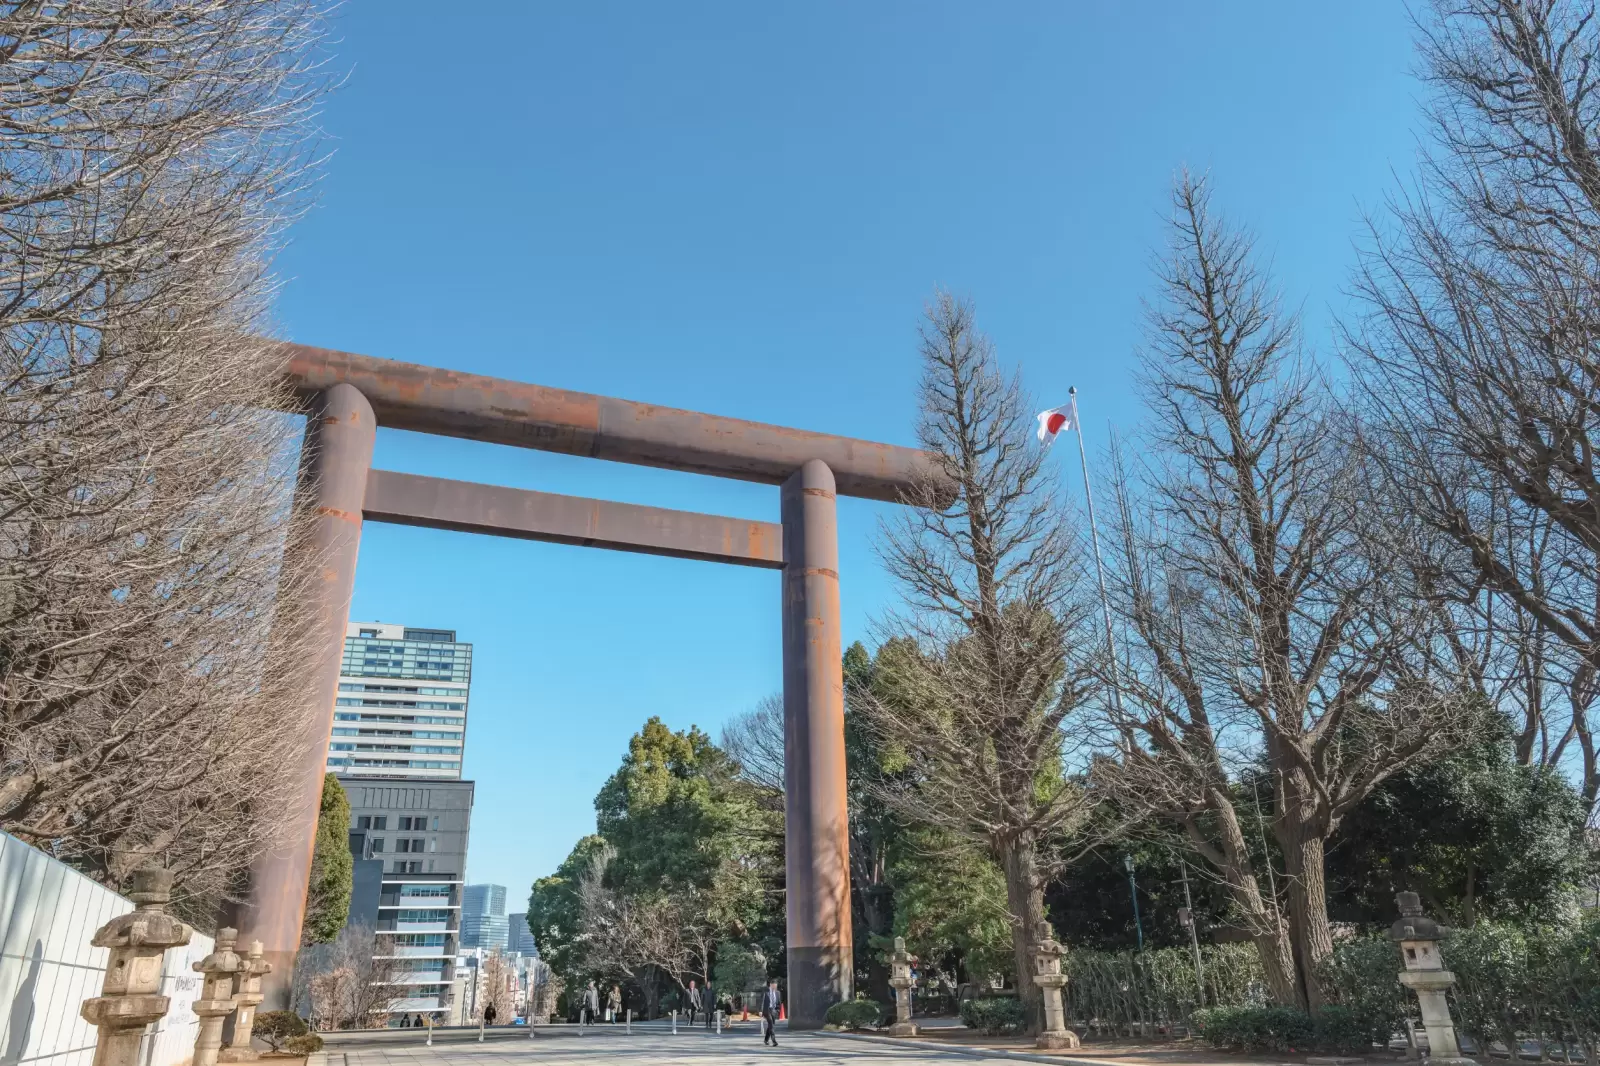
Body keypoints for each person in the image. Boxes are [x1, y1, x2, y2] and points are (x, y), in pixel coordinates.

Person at [761, 979, 782, 1047]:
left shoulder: (778, 993)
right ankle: (774, 1041)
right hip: (767, 1010)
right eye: (773, 986)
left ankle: (766, 1039)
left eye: (775, 986)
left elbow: (778, 1003)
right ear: (770, 985)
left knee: (770, 1026)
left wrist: (778, 1011)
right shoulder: (766, 992)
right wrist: (760, 1011)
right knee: (771, 1024)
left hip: (774, 1011)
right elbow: (762, 1001)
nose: (774, 988)